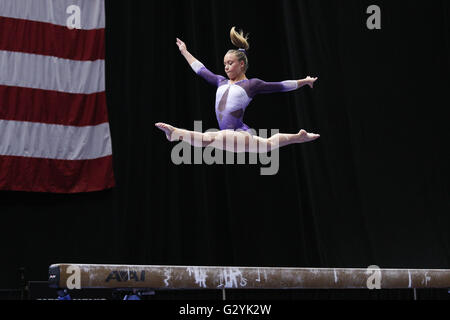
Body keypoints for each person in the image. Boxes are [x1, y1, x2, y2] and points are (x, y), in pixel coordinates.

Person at [156, 27, 320, 153]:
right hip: (228, 136)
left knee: (210, 138)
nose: (226, 67)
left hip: (240, 134)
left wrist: (304, 81)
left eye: (230, 63)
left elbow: (281, 85)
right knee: (267, 145)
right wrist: (184, 51)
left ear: (241, 64)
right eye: (225, 64)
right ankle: (299, 137)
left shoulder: (251, 85)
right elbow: (200, 69)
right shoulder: (220, 81)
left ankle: (175, 133)